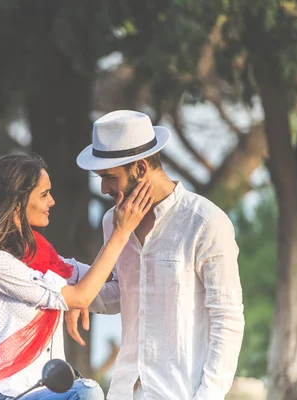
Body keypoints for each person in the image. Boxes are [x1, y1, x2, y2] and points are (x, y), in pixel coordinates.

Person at [67, 110, 245, 400]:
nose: (103, 188)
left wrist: (208, 396)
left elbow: (228, 319)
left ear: (139, 167)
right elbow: (122, 293)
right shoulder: (113, 222)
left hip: (180, 392)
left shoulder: (205, 223)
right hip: (124, 390)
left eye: (110, 177)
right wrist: (73, 290)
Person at [0, 153, 154, 400]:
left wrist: (139, 238)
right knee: (88, 392)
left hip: (48, 390)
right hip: (9, 392)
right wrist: (120, 232)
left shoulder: (46, 259)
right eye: (44, 194)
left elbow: (109, 291)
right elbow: (81, 297)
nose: (52, 201)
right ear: (16, 203)